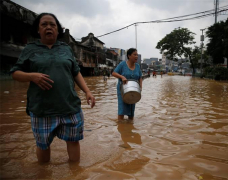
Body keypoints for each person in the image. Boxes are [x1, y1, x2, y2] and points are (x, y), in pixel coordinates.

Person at [9, 13, 95, 163]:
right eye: (44, 24)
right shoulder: (30, 49)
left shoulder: (66, 49)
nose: (49, 27)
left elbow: (76, 72)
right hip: (42, 109)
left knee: (74, 141)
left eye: (52, 24)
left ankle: (75, 174)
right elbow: (15, 73)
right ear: (38, 29)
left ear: (58, 29)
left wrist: (87, 91)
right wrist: (32, 76)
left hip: (70, 107)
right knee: (43, 145)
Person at [112, 48, 142, 120]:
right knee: (122, 108)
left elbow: (140, 77)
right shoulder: (122, 64)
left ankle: (130, 125)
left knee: (132, 108)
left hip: (134, 89)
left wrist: (140, 88)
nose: (136, 57)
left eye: (137, 55)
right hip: (122, 89)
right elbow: (113, 73)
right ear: (129, 56)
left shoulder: (137, 66)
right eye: (134, 55)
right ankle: (120, 124)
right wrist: (122, 77)